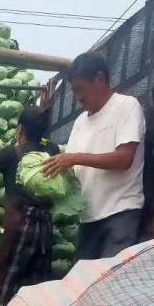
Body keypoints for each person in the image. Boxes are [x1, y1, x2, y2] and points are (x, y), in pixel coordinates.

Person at [42, 52, 145, 260]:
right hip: (88, 219)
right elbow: (70, 165)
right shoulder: (80, 121)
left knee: (109, 283)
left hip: (120, 214)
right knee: (85, 286)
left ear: (100, 79)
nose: (78, 97)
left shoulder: (126, 106)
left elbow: (124, 159)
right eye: (74, 91)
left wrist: (74, 158)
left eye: (81, 89)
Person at [0, 105, 60, 306]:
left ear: (20, 128)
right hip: (44, 231)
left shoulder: (11, 154)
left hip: (18, 227)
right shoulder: (53, 152)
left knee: (5, 281)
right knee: (35, 287)